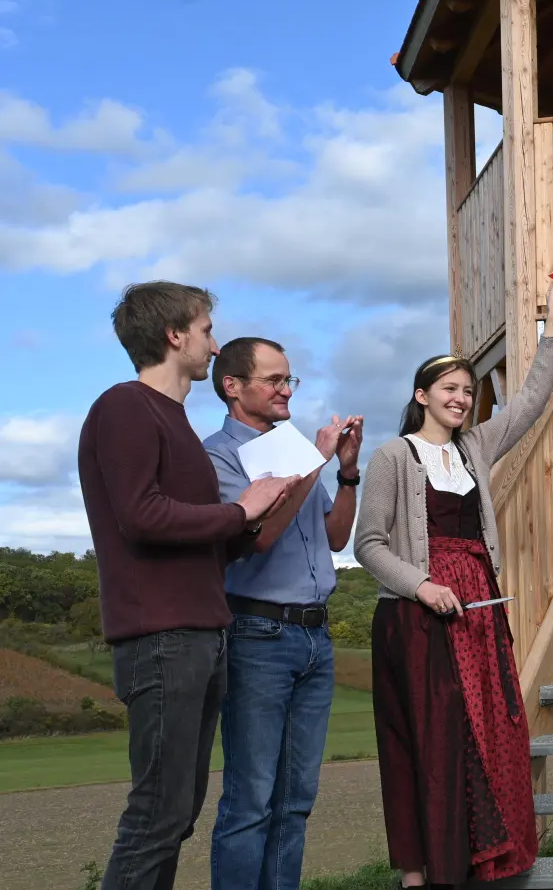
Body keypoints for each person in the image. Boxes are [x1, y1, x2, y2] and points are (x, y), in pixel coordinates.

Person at [79, 281, 294, 890]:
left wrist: (262, 512)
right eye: (205, 330)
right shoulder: (124, 407)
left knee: (176, 817)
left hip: (200, 635)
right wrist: (239, 510)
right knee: (156, 815)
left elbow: (209, 542)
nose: (214, 344)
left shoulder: (174, 420)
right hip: (161, 638)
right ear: (174, 336)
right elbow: (140, 516)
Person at [354, 276, 553, 888]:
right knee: (433, 739)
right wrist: (422, 585)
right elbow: (367, 544)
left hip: (478, 612)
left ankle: (483, 856)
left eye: (468, 391)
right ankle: (421, 872)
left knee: (490, 730)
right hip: (419, 618)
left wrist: (552, 330)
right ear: (422, 395)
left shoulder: (475, 446)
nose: (462, 399)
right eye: (450, 389)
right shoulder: (393, 457)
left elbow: (530, 401)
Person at [203, 337, 364, 890]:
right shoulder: (217, 456)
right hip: (257, 635)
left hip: (316, 638)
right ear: (232, 386)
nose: (286, 390)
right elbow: (260, 536)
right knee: (250, 801)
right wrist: (314, 462)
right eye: (274, 380)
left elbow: (336, 537)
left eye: (289, 379)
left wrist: (346, 473)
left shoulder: (292, 448)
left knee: (295, 801)